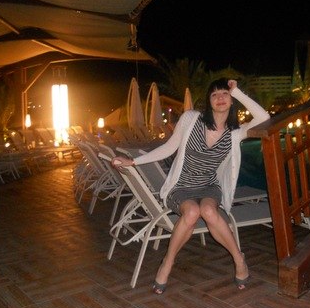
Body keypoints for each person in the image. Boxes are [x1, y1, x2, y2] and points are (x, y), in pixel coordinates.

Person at [111, 78, 270, 294]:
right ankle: (168, 262)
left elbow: (264, 118)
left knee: (209, 211)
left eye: (224, 94)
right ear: (208, 101)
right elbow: (169, 148)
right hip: (181, 187)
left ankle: (239, 259)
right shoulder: (191, 119)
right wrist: (134, 162)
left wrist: (237, 91)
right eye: (214, 94)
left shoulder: (235, 132)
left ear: (232, 100)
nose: (220, 98)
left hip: (209, 186)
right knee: (193, 212)